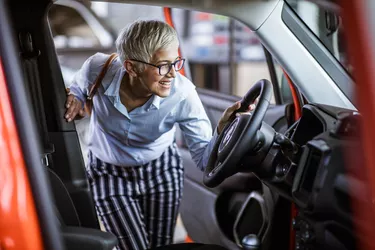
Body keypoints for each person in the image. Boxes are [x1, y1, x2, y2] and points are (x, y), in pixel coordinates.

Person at [65, 20, 244, 250]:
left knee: (161, 246)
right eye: (163, 65)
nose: (172, 74)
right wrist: (77, 97)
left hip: (161, 169)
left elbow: (203, 158)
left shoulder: (183, 95)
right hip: (108, 172)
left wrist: (222, 129)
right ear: (131, 67)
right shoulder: (97, 68)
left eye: (176, 62)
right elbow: (79, 86)